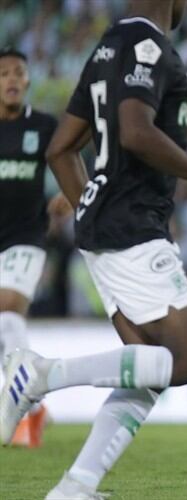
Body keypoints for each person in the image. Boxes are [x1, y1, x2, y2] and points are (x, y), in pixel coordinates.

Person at [0, 1, 187, 498]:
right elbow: (136, 131)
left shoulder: (107, 46)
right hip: (131, 223)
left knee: (146, 367)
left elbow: (60, 149)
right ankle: (40, 375)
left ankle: (77, 486)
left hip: (106, 223)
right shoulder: (148, 47)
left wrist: (88, 208)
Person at [0, 46, 68, 448]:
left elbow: (75, 157)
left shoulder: (43, 127)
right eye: (4, 72)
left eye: (17, 72)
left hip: (27, 235)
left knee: (8, 310)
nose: (10, 79)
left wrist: (68, 194)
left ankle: (23, 409)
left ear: (28, 81)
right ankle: (36, 406)